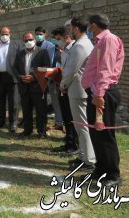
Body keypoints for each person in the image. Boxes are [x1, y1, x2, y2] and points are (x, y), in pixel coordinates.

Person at [82, 14, 125, 186]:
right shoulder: (100, 41)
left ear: (93, 25)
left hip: (104, 93)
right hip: (96, 92)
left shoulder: (109, 40)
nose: (89, 31)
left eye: (89, 27)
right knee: (96, 132)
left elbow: (106, 68)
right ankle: (101, 169)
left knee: (105, 133)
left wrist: (99, 94)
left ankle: (113, 174)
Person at [59, 17, 96, 171]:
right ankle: (83, 156)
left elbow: (71, 69)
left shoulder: (81, 45)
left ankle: (88, 159)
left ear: (75, 29)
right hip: (79, 89)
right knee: (81, 125)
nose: (70, 31)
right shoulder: (85, 43)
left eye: (71, 29)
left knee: (82, 126)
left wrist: (63, 84)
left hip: (78, 90)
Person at [14, 32, 51, 138]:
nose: (28, 42)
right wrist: (21, 77)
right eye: (26, 40)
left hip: (38, 86)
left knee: (40, 110)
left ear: (34, 40)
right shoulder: (20, 53)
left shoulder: (43, 52)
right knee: (26, 110)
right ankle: (27, 130)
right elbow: (15, 68)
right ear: (23, 42)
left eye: (30, 39)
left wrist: (34, 77)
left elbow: (46, 69)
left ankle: (41, 131)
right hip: (24, 86)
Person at [0, 26, 22, 132]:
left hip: (12, 77)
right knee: (0, 101)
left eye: (6, 34)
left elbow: (20, 61)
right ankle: (1, 121)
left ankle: (13, 123)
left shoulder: (16, 45)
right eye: (2, 34)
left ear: (10, 34)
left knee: (14, 102)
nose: (4, 36)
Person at [51, 26, 78, 155]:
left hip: (71, 89)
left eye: (58, 39)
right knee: (67, 117)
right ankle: (69, 142)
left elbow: (73, 71)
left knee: (72, 118)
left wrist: (64, 84)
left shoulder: (75, 49)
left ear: (66, 37)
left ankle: (74, 144)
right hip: (63, 87)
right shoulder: (65, 50)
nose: (57, 42)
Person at [36, 26, 63, 131]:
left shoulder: (62, 49)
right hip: (48, 76)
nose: (55, 40)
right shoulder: (50, 47)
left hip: (58, 77)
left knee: (59, 101)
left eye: (57, 38)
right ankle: (59, 122)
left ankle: (61, 121)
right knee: (53, 100)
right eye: (54, 38)